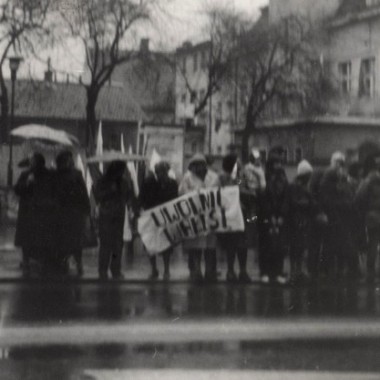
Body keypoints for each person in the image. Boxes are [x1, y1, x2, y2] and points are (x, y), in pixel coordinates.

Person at [179, 153, 220, 282]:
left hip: (210, 217)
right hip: (195, 217)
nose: (199, 168)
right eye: (196, 165)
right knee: (195, 246)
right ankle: (195, 271)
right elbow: (181, 193)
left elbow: (219, 193)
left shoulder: (214, 177)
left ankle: (210, 271)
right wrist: (196, 193)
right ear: (192, 166)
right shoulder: (187, 178)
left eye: (202, 165)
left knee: (210, 247)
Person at [14, 153, 57, 275]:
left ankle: (40, 261)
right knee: (27, 238)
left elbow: (54, 191)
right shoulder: (26, 174)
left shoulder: (50, 175)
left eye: (33, 160)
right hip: (29, 211)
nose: (31, 163)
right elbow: (17, 189)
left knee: (41, 237)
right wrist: (27, 182)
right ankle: (27, 260)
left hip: (43, 211)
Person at [320, 151, 358, 280]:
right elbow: (330, 198)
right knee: (335, 245)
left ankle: (334, 271)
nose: (340, 166)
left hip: (339, 216)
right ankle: (331, 271)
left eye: (341, 163)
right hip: (335, 216)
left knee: (335, 245)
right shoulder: (331, 176)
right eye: (338, 163)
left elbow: (345, 195)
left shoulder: (340, 178)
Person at [140, 161, 179, 281]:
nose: (160, 174)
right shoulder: (150, 183)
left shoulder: (172, 184)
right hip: (151, 218)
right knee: (150, 244)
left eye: (162, 172)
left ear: (167, 172)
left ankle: (166, 269)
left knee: (166, 244)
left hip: (166, 218)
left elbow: (175, 199)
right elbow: (142, 198)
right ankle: (154, 269)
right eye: (158, 172)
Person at [55, 150, 91, 276]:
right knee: (63, 240)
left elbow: (83, 190)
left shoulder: (76, 173)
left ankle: (78, 263)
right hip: (62, 212)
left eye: (70, 159)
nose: (71, 161)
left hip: (74, 212)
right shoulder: (56, 174)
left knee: (75, 240)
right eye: (68, 159)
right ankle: (64, 263)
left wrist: (86, 207)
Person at [93, 161, 131, 280]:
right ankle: (103, 269)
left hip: (119, 215)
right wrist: (110, 191)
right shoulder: (102, 181)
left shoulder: (124, 181)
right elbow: (97, 196)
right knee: (105, 244)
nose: (122, 173)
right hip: (106, 216)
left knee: (117, 244)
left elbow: (128, 196)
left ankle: (115, 269)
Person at [218, 154, 251, 283]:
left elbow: (243, 189)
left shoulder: (240, 178)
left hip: (241, 213)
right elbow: (217, 192)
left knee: (243, 244)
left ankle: (243, 270)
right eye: (236, 165)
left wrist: (246, 192)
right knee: (231, 244)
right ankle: (230, 271)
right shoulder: (221, 178)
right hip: (229, 214)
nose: (239, 168)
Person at [257, 154, 289, 284]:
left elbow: (286, 198)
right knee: (266, 245)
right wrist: (270, 215)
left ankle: (278, 271)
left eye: (280, 163)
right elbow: (263, 198)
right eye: (276, 163)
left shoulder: (283, 179)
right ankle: (265, 271)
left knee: (279, 246)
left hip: (279, 216)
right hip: (266, 216)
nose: (279, 166)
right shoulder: (264, 178)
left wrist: (281, 215)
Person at [288, 160, 317, 283]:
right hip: (297, 220)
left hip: (302, 219)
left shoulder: (302, 185)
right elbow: (295, 202)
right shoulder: (296, 186)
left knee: (300, 247)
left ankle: (298, 271)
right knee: (296, 247)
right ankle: (294, 271)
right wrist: (309, 203)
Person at [355, 153, 380, 283]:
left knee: (373, 243)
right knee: (375, 244)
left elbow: (359, 197)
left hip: (371, 216)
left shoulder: (368, 180)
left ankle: (370, 272)